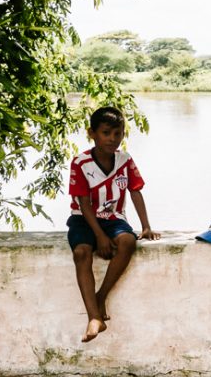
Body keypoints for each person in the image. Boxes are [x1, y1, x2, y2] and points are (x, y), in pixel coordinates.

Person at [67, 106, 160, 343]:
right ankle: (93, 317)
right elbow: (84, 203)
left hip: (113, 216)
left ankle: (101, 295)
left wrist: (145, 225)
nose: (112, 139)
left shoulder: (125, 160)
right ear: (92, 133)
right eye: (106, 133)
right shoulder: (81, 162)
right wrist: (99, 236)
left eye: (117, 133)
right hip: (83, 218)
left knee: (128, 241)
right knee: (81, 252)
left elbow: (136, 191)